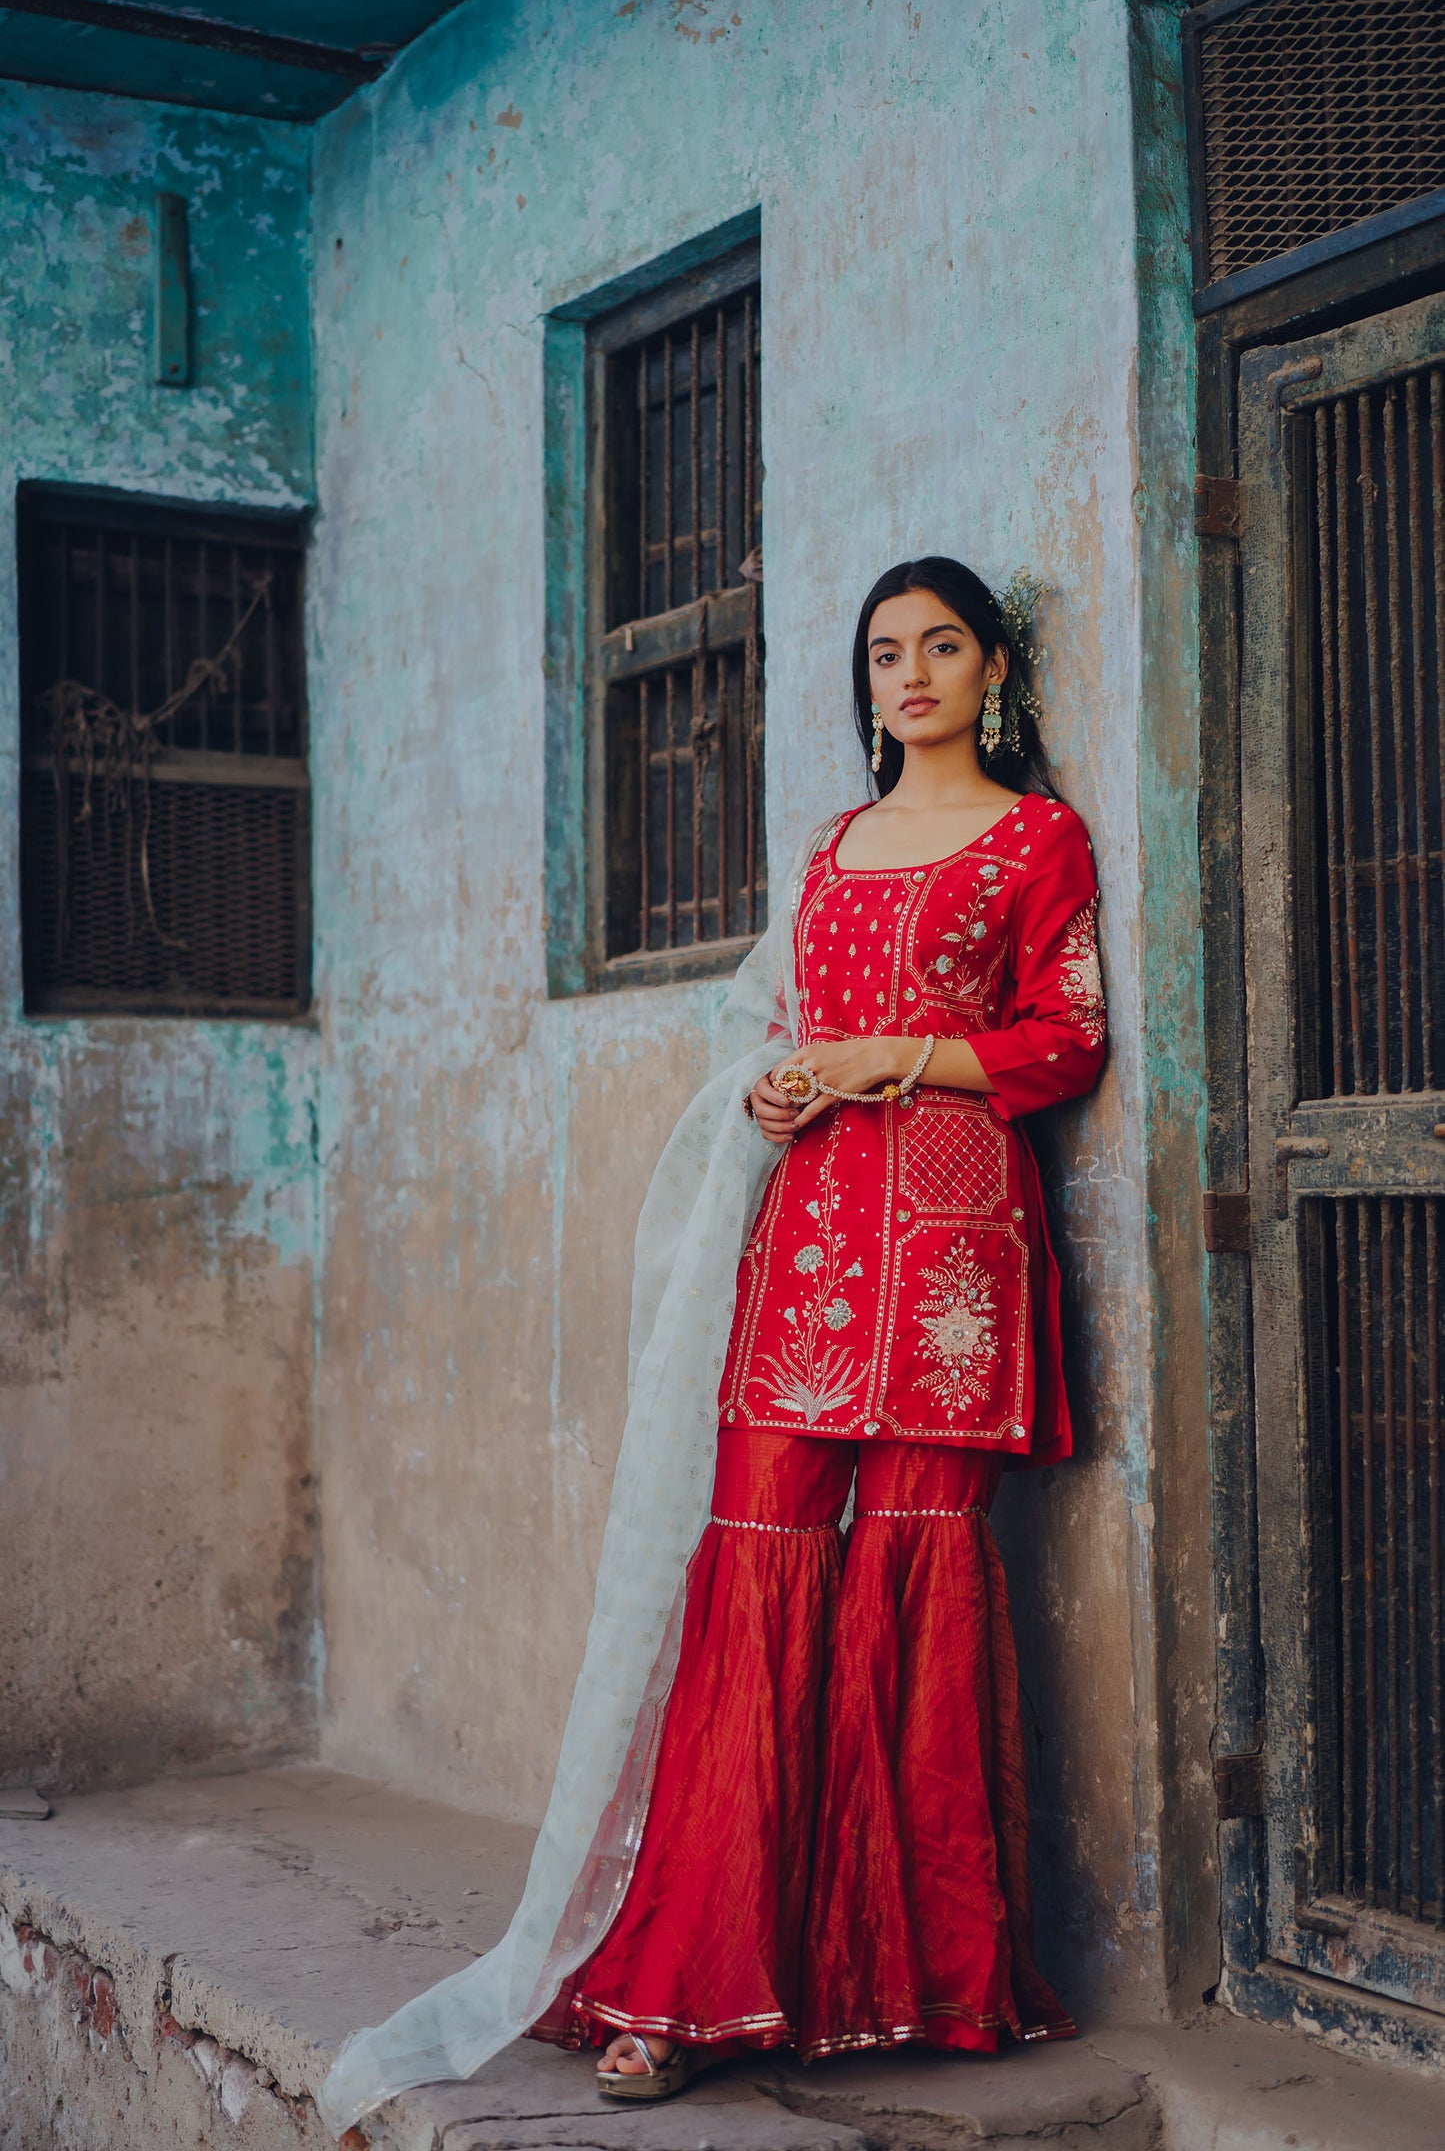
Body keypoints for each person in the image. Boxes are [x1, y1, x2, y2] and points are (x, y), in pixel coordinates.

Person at [317, 556, 1105, 2136]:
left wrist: (888, 1056)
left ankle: (913, 1981)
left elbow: (1063, 1040)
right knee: (753, 1570)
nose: (911, 674)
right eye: (884, 652)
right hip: (809, 1244)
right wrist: (773, 1088)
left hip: (953, 1251)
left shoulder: (1039, 839)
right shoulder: (829, 845)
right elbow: (781, 1024)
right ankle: (691, 1982)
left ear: (994, 668)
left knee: (915, 1579)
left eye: (942, 645)